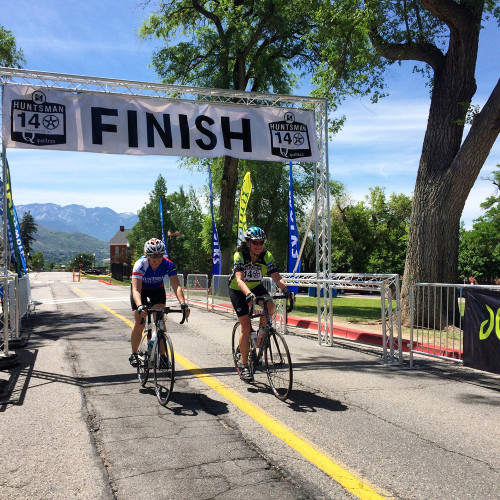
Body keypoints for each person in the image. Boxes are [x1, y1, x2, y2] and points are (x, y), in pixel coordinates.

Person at [228, 226, 293, 382]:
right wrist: (248, 295)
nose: (258, 245)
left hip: (255, 286)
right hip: (238, 289)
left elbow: (276, 277)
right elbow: (239, 279)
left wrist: (286, 290)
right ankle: (244, 366)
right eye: (255, 242)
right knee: (245, 325)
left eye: (261, 242)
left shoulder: (266, 255)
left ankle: (260, 336)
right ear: (248, 243)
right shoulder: (240, 255)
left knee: (270, 306)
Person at [129, 238, 190, 367]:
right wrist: (140, 306)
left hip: (157, 290)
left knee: (160, 322)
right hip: (141, 291)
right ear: (147, 256)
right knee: (140, 321)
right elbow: (136, 289)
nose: (156, 260)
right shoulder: (140, 264)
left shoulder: (168, 264)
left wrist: (183, 303)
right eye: (153, 257)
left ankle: (162, 356)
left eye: (159, 257)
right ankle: (134, 354)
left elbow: (176, 285)